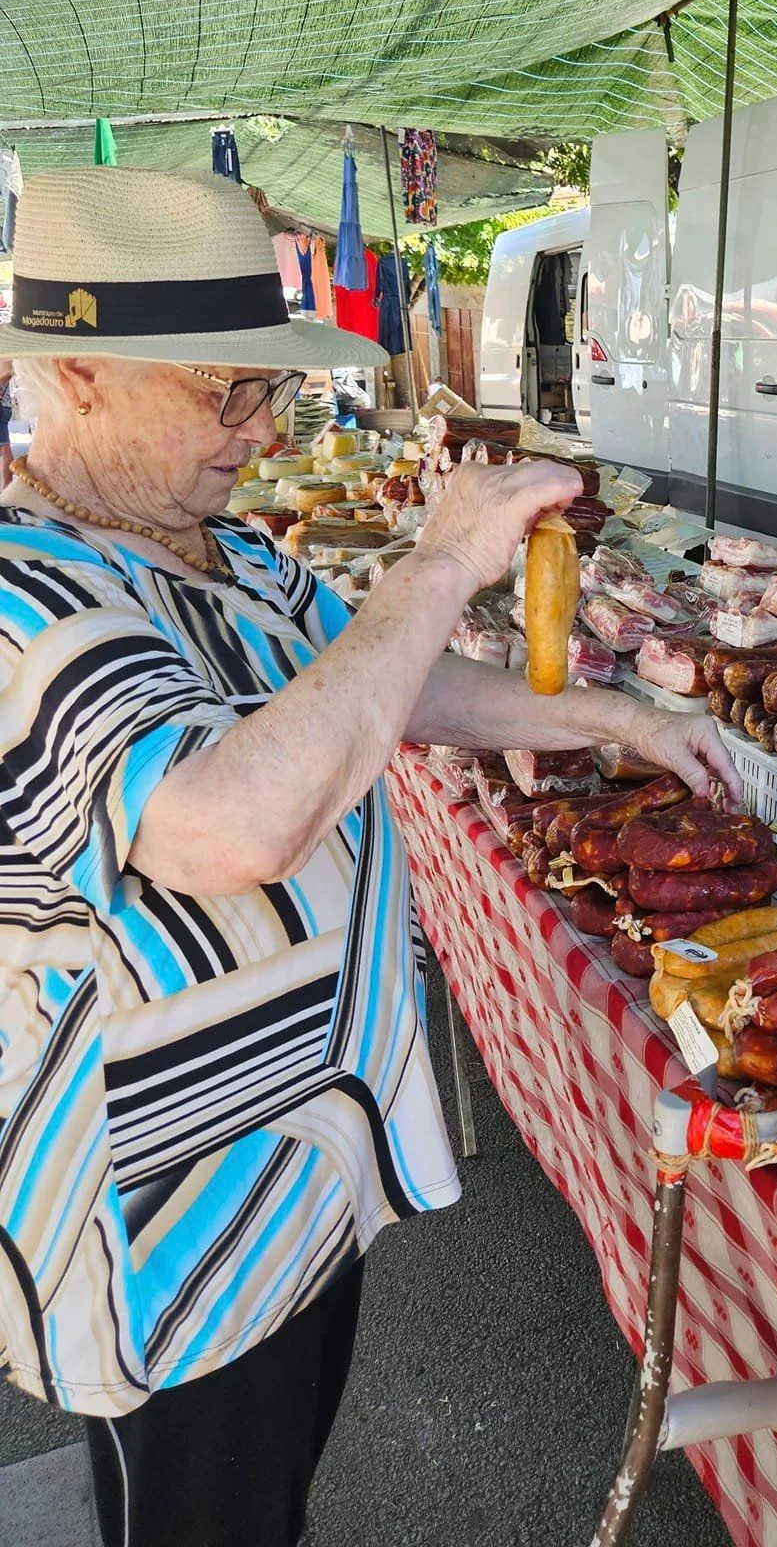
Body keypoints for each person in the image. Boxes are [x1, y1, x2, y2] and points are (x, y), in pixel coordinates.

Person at [0, 167, 737, 1547]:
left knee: (241, 1494)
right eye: (228, 392)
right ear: (82, 371)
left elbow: (372, 679)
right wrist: (442, 560)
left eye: (269, 390)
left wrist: (600, 715)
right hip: (174, 1195)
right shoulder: (26, 591)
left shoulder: (205, 548)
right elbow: (228, 825)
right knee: (207, 1513)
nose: (263, 429)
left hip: (282, 1156)